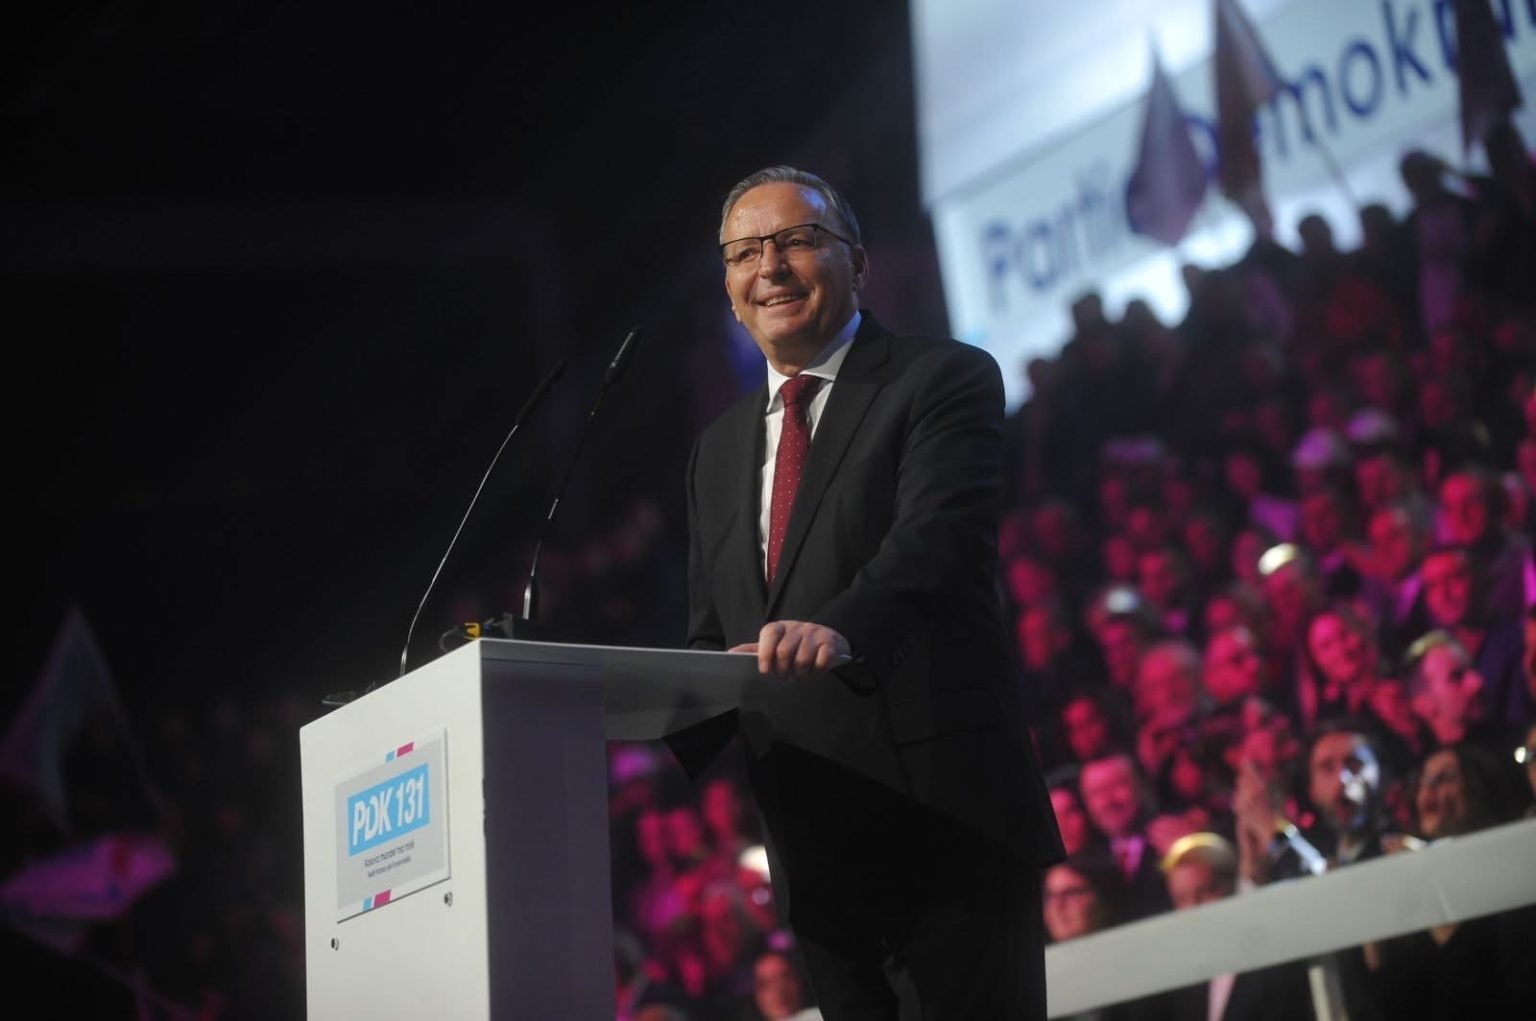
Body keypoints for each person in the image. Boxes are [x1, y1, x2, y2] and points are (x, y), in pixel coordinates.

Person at [666, 165, 1063, 1020]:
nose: (770, 266)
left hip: (946, 823)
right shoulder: (717, 451)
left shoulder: (941, 378)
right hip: (813, 851)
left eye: (797, 240)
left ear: (859, 263)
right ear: (729, 289)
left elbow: (936, 543)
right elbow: (713, 634)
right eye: (744, 252)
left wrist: (838, 628)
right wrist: (615, 715)